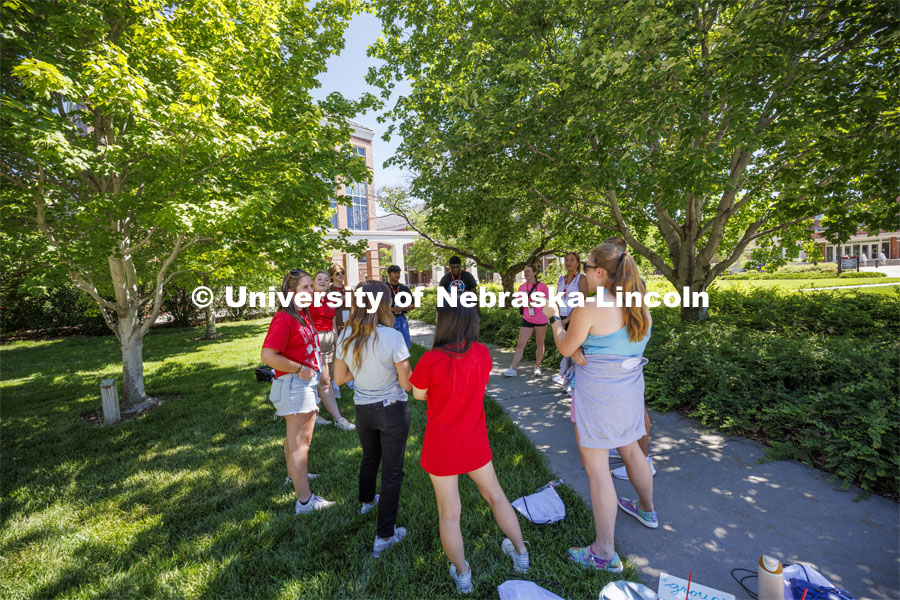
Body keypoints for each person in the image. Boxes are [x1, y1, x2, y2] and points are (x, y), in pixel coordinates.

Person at [543, 240, 656, 572]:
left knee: (598, 471)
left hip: (598, 394)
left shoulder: (591, 307)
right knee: (633, 451)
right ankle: (647, 509)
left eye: (589, 268)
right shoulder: (639, 303)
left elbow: (565, 346)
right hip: (630, 390)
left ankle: (604, 552)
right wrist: (583, 348)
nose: (586, 274)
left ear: (600, 272)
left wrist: (554, 318)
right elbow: (618, 344)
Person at [410, 304, 529, 594]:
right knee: (497, 498)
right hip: (474, 442)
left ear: (444, 322)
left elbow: (417, 394)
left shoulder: (430, 359)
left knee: (449, 514)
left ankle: (462, 574)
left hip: (441, 448)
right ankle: (521, 553)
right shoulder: (482, 354)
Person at [333, 281, 412, 558]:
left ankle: (366, 502)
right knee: (391, 472)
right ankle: (384, 536)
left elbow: (339, 379)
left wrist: (362, 368)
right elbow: (407, 383)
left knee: (369, 457)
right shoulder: (392, 337)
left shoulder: (346, 336)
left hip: (362, 411)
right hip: (392, 411)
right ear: (384, 304)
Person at [261, 269, 335, 514]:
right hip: (295, 385)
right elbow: (268, 356)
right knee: (301, 444)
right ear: (291, 292)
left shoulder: (301, 315)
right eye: (305, 287)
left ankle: (294, 475)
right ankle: (305, 500)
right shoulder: (284, 318)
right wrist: (301, 369)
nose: (311, 291)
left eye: (310, 287)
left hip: (302, 383)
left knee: (294, 441)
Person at [600, 237, 656, 479]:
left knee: (638, 414)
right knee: (631, 411)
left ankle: (643, 461)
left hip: (626, 357)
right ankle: (633, 454)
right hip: (624, 356)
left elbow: (630, 321)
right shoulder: (617, 286)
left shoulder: (631, 284)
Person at [308, 271, 355, 430]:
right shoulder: (307, 299)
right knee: (320, 381)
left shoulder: (330, 300)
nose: (323, 281)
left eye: (326, 279)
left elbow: (333, 324)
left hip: (329, 343)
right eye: (319, 279)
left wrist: (338, 343)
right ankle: (336, 418)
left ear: (330, 283)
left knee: (324, 380)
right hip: (314, 343)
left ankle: (316, 414)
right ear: (313, 282)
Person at [503, 265, 549, 377]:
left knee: (540, 343)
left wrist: (529, 303)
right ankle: (513, 369)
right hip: (527, 318)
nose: (526, 274)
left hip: (541, 318)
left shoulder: (542, 286)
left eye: (528, 271)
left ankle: (537, 367)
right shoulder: (522, 287)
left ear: (534, 273)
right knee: (520, 344)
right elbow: (517, 302)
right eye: (524, 272)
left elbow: (546, 302)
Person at [551, 252, 589, 386]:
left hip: (574, 318)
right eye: (566, 260)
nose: (568, 262)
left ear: (578, 262)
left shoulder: (581, 278)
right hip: (561, 318)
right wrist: (555, 316)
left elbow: (583, 301)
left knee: (575, 349)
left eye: (572, 260)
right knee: (566, 348)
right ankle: (566, 377)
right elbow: (557, 299)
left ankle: (573, 381)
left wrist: (568, 319)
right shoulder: (561, 279)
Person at [386, 264, 412, 348]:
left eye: (398, 273)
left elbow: (412, 304)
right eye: (394, 273)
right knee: (390, 344)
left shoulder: (404, 288)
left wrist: (404, 308)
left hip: (402, 319)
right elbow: (379, 305)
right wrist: (392, 309)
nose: (397, 275)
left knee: (404, 344)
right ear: (389, 274)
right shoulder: (384, 288)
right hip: (389, 319)